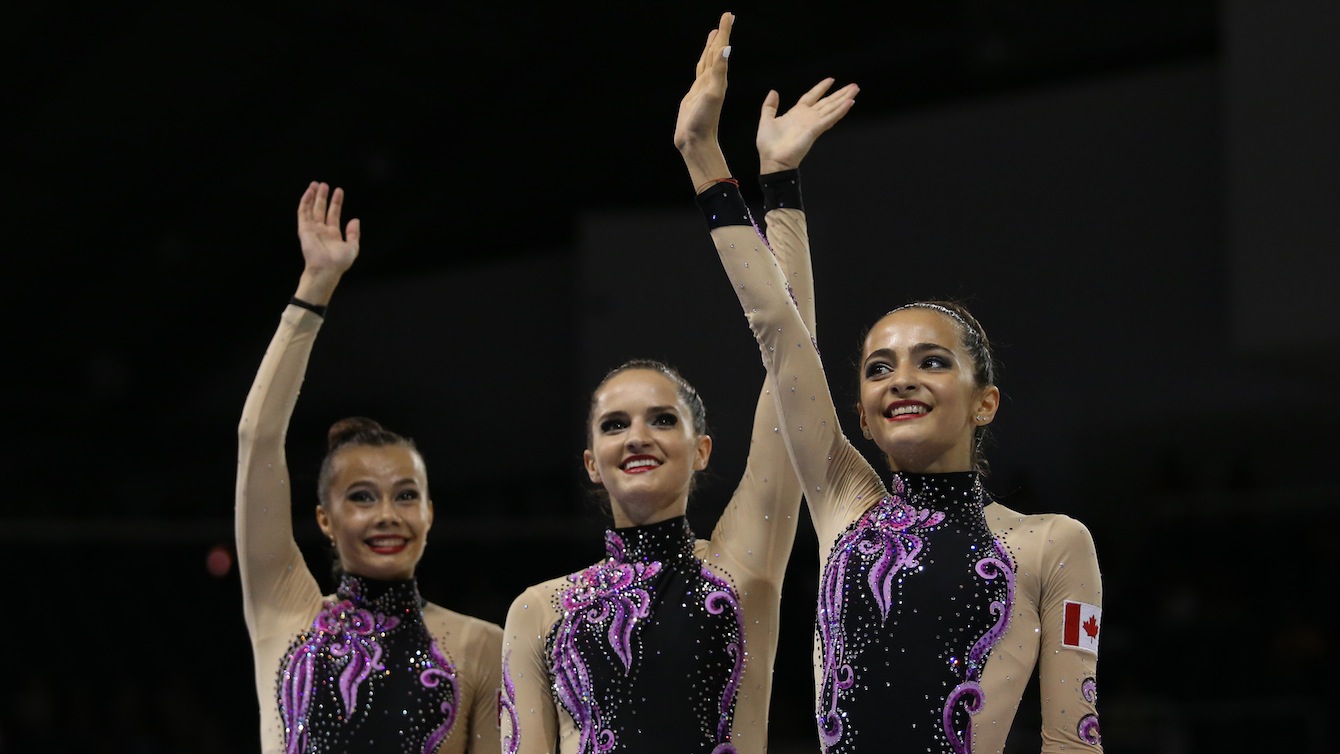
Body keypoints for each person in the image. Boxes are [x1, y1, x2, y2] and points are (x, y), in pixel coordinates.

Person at [678, 13, 1104, 754]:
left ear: (985, 402)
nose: (901, 379)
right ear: (864, 420)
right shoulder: (845, 501)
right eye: (879, 367)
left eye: (932, 361)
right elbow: (781, 332)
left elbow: (1075, 739)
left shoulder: (1050, 544)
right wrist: (719, 163)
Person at [496, 27, 859, 753]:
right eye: (615, 425)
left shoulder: (743, 566)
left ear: (701, 450)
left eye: (662, 419)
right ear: (591, 462)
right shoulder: (539, 610)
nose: (637, 435)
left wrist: (764, 184)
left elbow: (792, 363)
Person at [236, 181, 503, 754]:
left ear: (430, 513)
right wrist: (314, 289)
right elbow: (257, 439)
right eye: (361, 497)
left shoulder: (481, 647)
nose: (387, 515)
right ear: (325, 519)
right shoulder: (286, 612)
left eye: (406, 496)